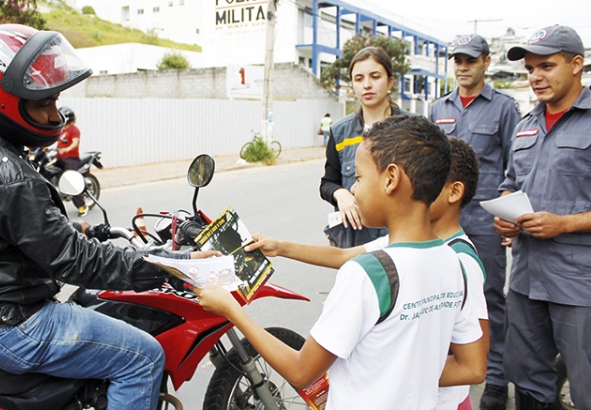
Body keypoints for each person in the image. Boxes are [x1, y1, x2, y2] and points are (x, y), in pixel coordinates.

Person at [0, 24, 215, 410]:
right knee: (143, 356)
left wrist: (76, 228)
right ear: (2, 100)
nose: (53, 114)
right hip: (12, 324)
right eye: (42, 103)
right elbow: (78, 261)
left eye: (54, 101)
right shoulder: (7, 176)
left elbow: (0, 232)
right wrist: (173, 264)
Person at [197, 115, 486, 409]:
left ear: (391, 178)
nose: (354, 190)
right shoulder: (453, 262)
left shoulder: (368, 274)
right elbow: (471, 364)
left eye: (359, 178)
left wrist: (231, 309)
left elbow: (301, 371)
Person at [494, 25, 591, 410]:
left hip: (578, 285)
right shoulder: (526, 124)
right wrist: (505, 214)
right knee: (529, 380)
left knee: (585, 384)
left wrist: (565, 223)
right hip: (525, 280)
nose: (535, 76)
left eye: (546, 66)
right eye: (530, 69)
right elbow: (509, 184)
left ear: (576, 65)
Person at [427, 34, 521, 410]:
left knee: (488, 299)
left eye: (470, 60)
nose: (462, 67)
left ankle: (495, 376)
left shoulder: (504, 108)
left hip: (483, 222)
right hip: (440, 222)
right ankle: (448, 366)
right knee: (441, 297)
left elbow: (516, 166)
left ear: (485, 61)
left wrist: (509, 212)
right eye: (457, 61)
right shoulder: (438, 109)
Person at [320, 46, 412, 248]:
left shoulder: (413, 129)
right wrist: (340, 194)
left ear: (390, 82)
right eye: (359, 79)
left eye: (375, 76)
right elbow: (327, 183)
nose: (367, 85)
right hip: (356, 242)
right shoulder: (340, 132)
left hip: (403, 239)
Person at [55, 106, 87, 216]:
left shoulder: (74, 129)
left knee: (72, 181)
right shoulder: (61, 130)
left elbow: (75, 142)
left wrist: (67, 149)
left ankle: (82, 206)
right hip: (59, 157)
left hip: (70, 158)